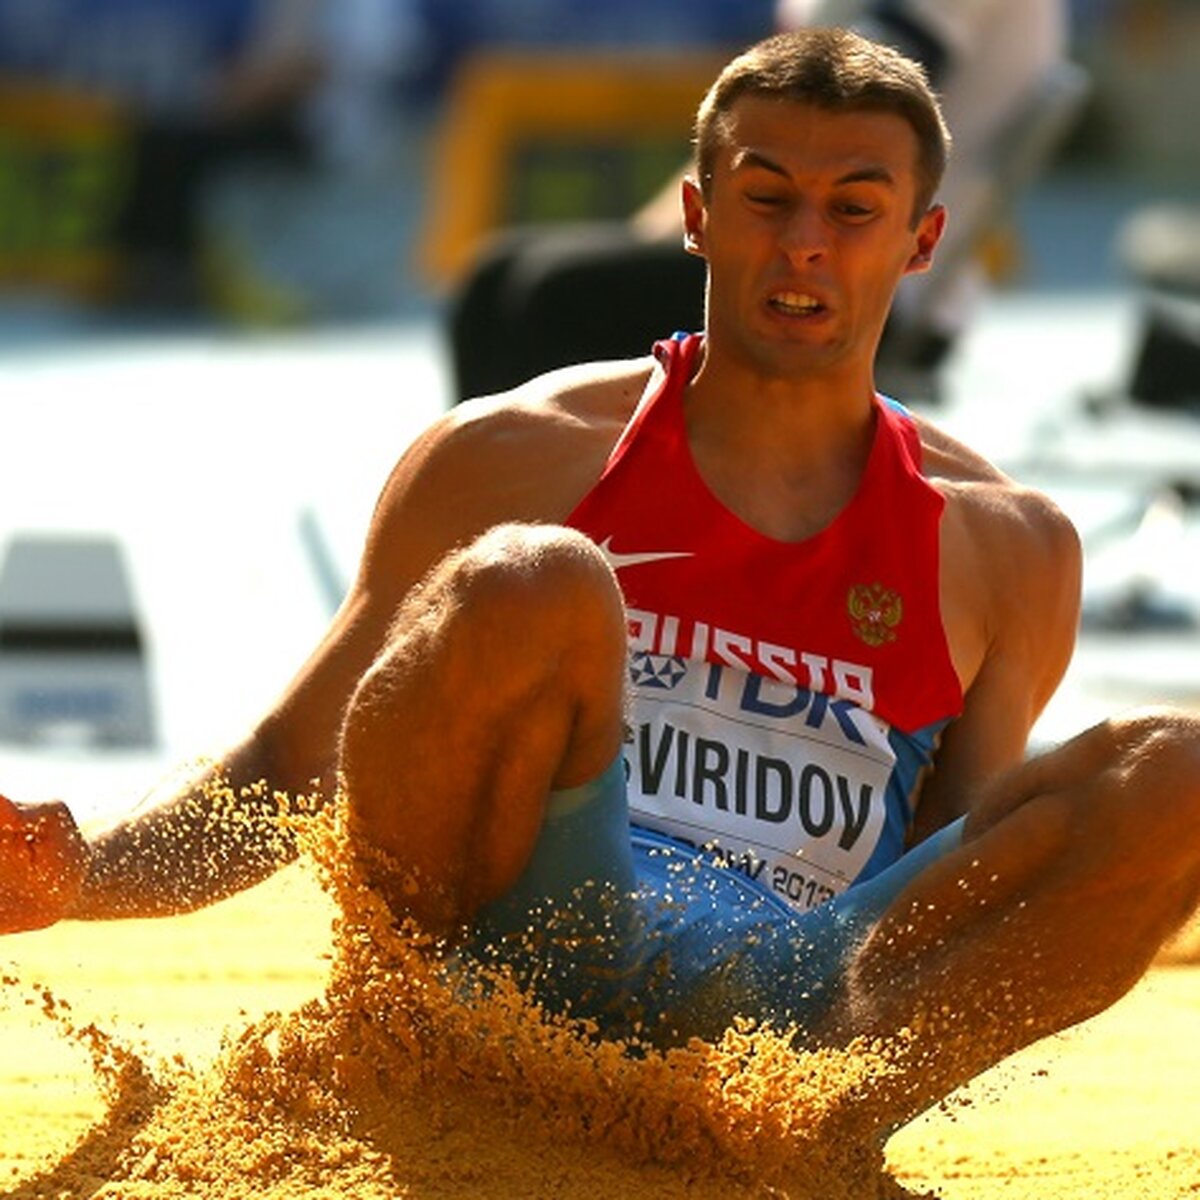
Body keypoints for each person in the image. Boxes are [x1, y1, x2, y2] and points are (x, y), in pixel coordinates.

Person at [3, 28, 1199, 1141]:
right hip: (515, 962)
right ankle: (413, 1057)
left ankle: (786, 1141)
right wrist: (79, 873)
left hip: (790, 1015)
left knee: (1177, 765)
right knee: (537, 577)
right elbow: (290, 764)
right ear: (696, 215)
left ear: (925, 243)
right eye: (767, 198)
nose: (804, 247)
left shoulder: (1004, 545)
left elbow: (957, 887)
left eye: (854, 210)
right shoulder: (516, 453)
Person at [447, 0, 1070, 405]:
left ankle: (544, 546)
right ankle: (472, 535)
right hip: (787, 224)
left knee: (549, 296)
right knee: (490, 278)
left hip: (865, 275)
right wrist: (657, 232)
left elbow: (844, 107)